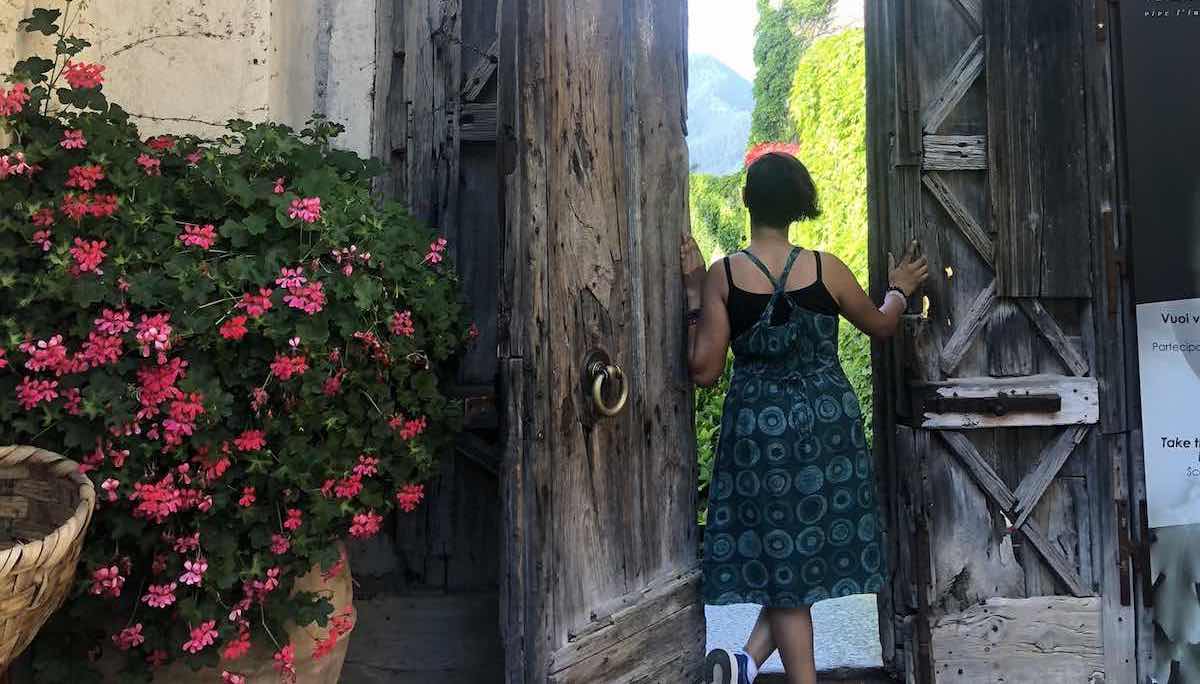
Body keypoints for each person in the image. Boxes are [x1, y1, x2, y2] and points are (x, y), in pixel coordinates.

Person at [681, 151, 928, 684]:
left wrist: (691, 293)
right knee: (797, 566)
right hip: (826, 432)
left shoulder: (723, 276)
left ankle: (747, 664)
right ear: (800, 206)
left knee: (783, 563)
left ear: (746, 201)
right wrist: (900, 291)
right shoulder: (826, 268)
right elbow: (883, 327)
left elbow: (704, 371)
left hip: (757, 437)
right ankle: (756, 667)